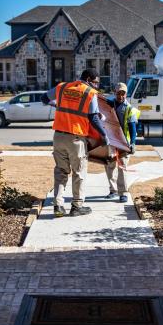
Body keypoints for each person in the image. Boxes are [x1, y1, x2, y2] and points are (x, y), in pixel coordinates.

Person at [41, 69, 110, 217]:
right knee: (79, 173)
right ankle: (77, 206)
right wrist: (104, 135)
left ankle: (58, 206)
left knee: (61, 171)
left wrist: (56, 105)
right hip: (76, 138)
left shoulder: (62, 87)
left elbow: (44, 98)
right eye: (96, 82)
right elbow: (93, 118)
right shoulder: (89, 93)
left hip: (58, 137)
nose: (97, 86)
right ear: (89, 79)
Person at [104, 82, 140, 203]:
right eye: (118, 93)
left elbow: (132, 127)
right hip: (111, 141)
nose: (121, 96)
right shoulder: (110, 104)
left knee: (122, 167)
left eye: (123, 94)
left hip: (124, 142)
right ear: (115, 93)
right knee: (110, 165)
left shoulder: (130, 109)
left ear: (126, 94)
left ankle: (123, 192)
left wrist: (133, 143)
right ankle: (113, 190)